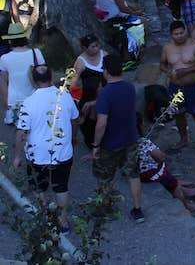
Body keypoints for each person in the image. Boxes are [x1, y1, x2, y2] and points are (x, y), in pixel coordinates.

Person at [14, 65, 78, 231]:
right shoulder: (64, 95)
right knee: (61, 186)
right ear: (51, 77)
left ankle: (46, 217)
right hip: (63, 152)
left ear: (33, 81)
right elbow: (75, 118)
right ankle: (63, 221)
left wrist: (17, 156)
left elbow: (22, 133)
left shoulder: (27, 103)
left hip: (37, 154)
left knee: (38, 186)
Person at [92, 54, 144, 223]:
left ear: (106, 72)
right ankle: (137, 209)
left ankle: (104, 208)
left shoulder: (106, 93)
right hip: (130, 138)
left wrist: (96, 144)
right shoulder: (129, 87)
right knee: (133, 174)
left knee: (104, 176)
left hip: (110, 142)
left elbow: (101, 123)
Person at [161, 20, 195, 152]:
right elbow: (162, 64)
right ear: (171, 34)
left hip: (193, 86)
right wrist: (168, 72)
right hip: (175, 86)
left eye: (182, 33)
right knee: (179, 114)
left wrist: (186, 71)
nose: (180, 36)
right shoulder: (167, 48)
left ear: (185, 31)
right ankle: (183, 139)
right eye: (176, 34)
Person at [137, 131, 195, 211]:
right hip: (150, 174)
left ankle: (181, 187)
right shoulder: (143, 142)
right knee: (169, 178)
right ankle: (185, 204)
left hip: (138, 173)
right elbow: (160, 156)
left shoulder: (122, 142)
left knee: (160, 166)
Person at [0, 24, 45, 124]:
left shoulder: (4, 58)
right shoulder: (36, 53)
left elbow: (2, 82)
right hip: (35, 98)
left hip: (14, 101)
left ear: (10, 40)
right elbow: (44, 76)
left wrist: (5, 100)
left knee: (19, 132)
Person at [71, 34, 106, 159]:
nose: (96, 48)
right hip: (88, 95)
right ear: (85, 48)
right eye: (93, 46)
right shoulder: (80, 61)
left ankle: (102, 145)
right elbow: (74, 81)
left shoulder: (104, 55)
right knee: (87, 123)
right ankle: (92, 146)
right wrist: (74, 97)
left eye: (97, 45)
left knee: (103, 119)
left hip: (104, 93)